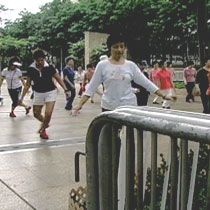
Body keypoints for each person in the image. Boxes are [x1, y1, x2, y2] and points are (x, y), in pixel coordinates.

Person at [72, 33, 176, 115]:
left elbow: (146, 83)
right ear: (110, 48)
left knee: (129, 139)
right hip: (109, 107)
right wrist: (79, 105)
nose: (119, 50)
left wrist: (163, 95)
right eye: (116, 47)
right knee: (111, 139)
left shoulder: (130, 65)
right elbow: (91, 87)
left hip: (129, 107)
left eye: (122, 46)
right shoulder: (102, 65)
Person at [20, 49, 70, 139]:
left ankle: (43, 130)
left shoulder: (49, 67)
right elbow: (27, 84)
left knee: (48, 113)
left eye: (41, 60)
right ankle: (45, 123)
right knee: (36, 113)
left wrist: (66, 90)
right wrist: (21, 98)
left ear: (44, 59)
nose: (40, 62)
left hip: (50, 92)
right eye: (38, 60)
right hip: (38, 93)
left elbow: (58, 79)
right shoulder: (31, 69)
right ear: (34, 60)